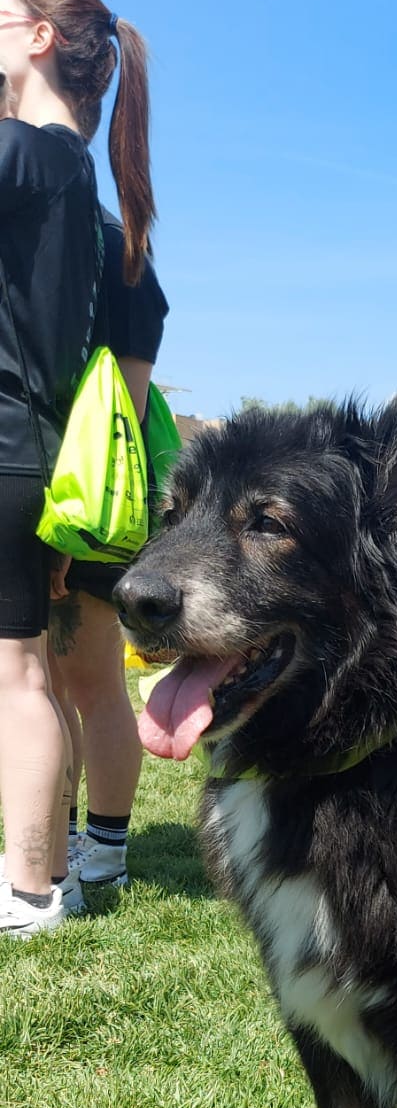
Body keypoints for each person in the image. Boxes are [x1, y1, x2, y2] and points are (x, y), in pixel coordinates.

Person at [0, 0, 154, 937]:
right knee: (66, 677)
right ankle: (73, 860)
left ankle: (32, 886)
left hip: (19, 444)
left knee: (25, 678)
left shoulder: (26, 158)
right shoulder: (104, 213)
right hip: (79, 466)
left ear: (41, 40)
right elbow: (130, 385)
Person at [48, 204, 169, 902]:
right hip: (86, 484)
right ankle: (79, 844)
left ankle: (99, 849)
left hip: (86, 489)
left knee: (83, 683)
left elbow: (121, 399)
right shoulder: (112, 241)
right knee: (65, 685)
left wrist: (69, 529)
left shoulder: (96, 240)